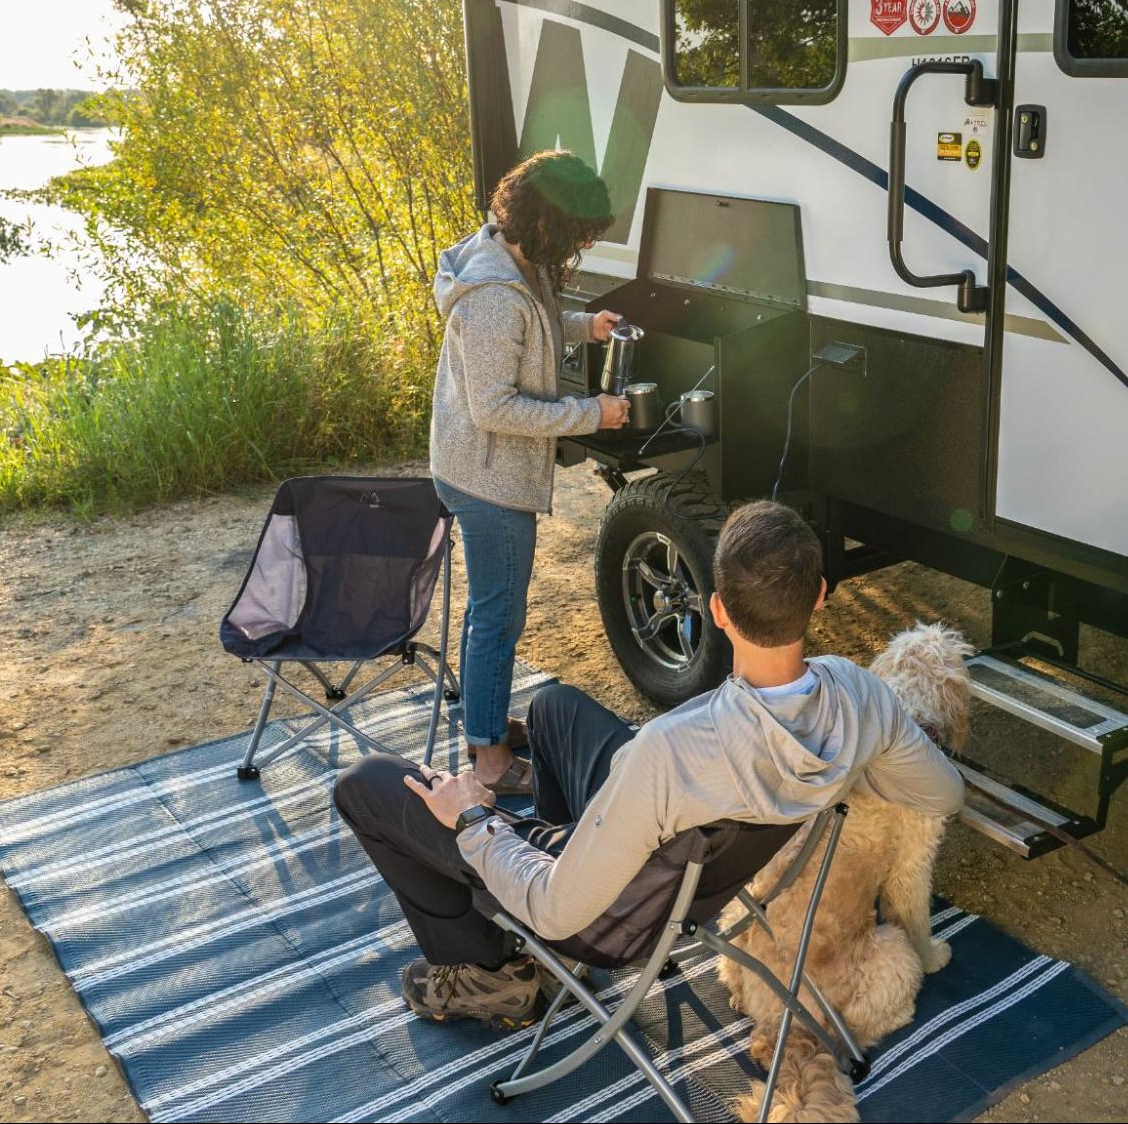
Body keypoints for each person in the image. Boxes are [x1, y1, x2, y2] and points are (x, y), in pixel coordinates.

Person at [333, 500, 966, 1027]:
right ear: (821, 597)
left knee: (367, 786)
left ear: (715, 609)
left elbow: (558, 909)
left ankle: (489, 974)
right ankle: (550, 891)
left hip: (609, 918)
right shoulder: (862, 697)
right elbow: (943, 794)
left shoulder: (670, 748)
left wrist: (471, 819)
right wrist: (859, 761)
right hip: (675, 866)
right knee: (554, 708)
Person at [429, 149, 630, 796]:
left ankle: (484, 726)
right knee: (498, 617)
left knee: (491, 612)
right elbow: (495, 406)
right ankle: (489, 763)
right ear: (547, 220)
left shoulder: (513, 258)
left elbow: (535, 328)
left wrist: (584, 326)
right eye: (580, 229)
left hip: (479, 466)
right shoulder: (491, 295)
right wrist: (589, 412)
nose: (586, 241)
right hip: (488, 478)